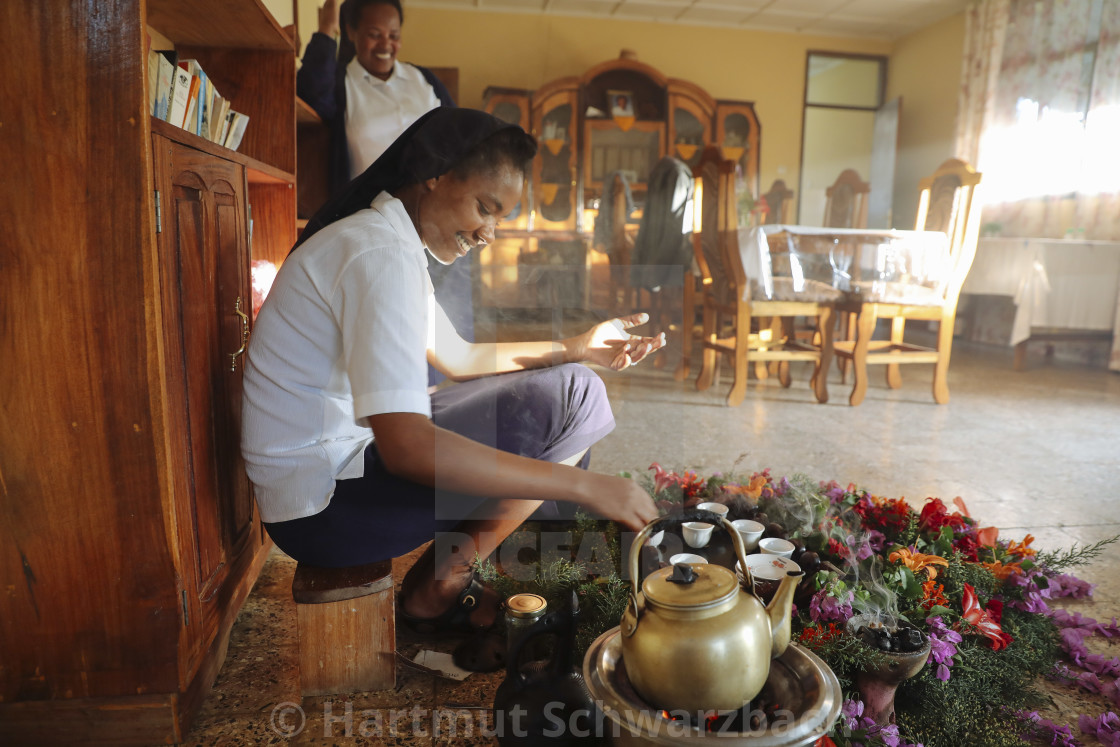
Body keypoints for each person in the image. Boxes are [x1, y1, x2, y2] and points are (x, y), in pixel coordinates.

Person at [241, 108, 663, 648]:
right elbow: (408, 450)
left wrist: (577, 347)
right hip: (325, 511)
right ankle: (441, 586)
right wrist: (588, 486)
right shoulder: (378, 253)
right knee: (574, 398)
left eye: (499, 218)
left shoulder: (386, 240)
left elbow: (458, 357)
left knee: (573, 384)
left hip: (328, 478)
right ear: (435, 175)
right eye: (484, 208)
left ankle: (441, 579)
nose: (488, 232)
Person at [297, 0, 471, 373]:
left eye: (393, 36)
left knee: (447, 335)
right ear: (354, 34)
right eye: (374, 34)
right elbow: (310, 90)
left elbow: (461, 137)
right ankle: (398, 415)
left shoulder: (424, 80)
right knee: (391, 332)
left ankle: (436, 411)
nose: (384, 44)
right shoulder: (342, 84)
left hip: (439, 220)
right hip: (377, 225)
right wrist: (327, 24)